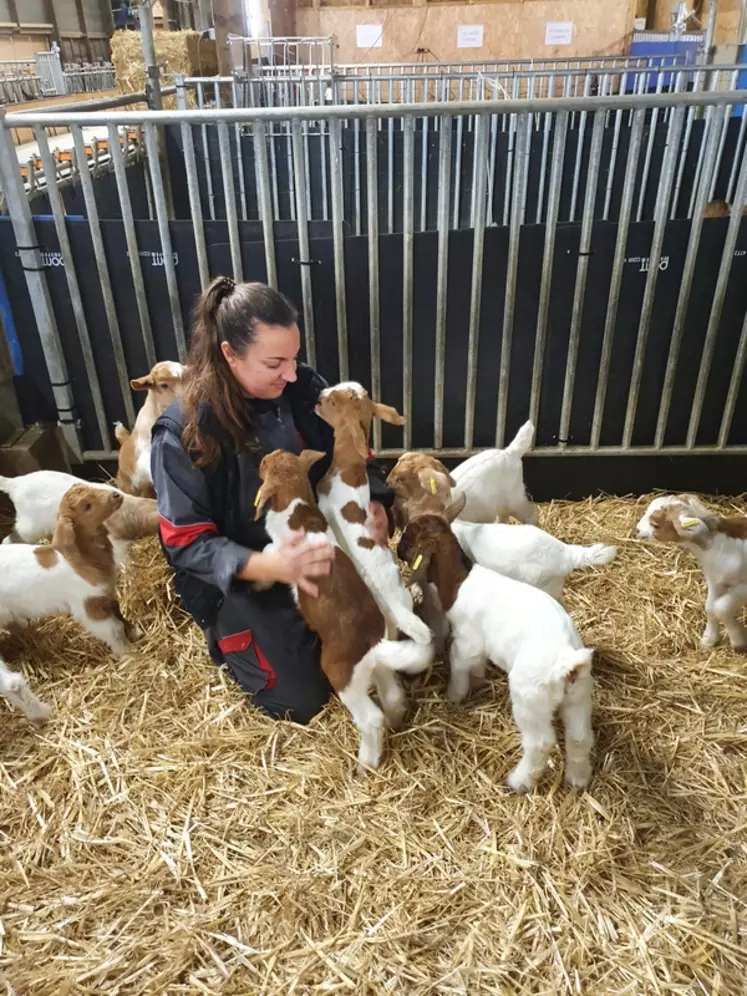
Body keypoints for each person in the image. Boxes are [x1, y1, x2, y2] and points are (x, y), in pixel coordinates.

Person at [151, 276, 395, 724]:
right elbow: (184, 542)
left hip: (319, 551)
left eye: (294, 357)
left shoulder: (302, 387)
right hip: (251, 575)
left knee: (384, 647)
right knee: (301, 699)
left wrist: (377, 501)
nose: (290, 372)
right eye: (274, 362)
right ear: (229, 353)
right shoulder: (185, 432)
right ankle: (231, 637)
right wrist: (273, 566)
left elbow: (353, 450)